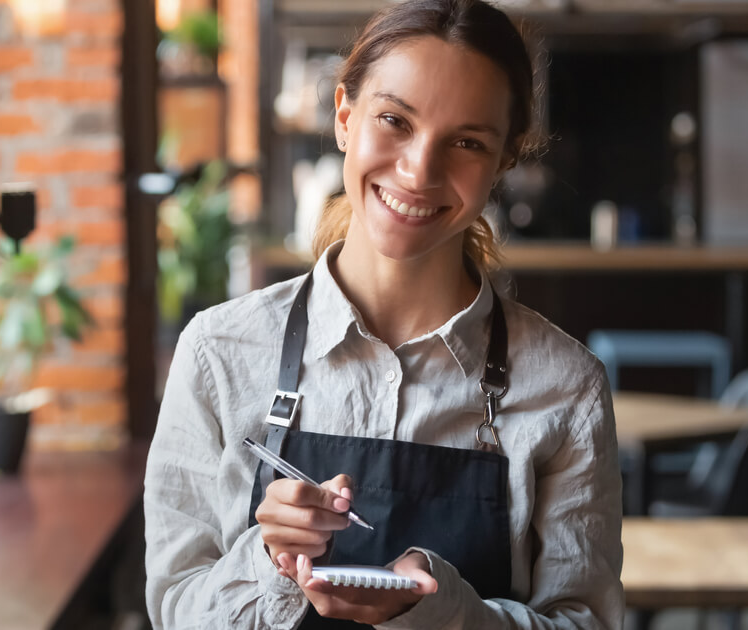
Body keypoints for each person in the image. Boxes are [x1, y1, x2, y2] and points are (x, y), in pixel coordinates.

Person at [143, 0, 624, 627]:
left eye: (468, 142)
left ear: (504, 162)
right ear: (345, 117)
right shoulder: (218, 354)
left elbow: (585, 621)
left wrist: (437, 611)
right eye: (395, 119)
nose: (420, 169)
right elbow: (175, 611)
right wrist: (270, 560)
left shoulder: (567, 390)